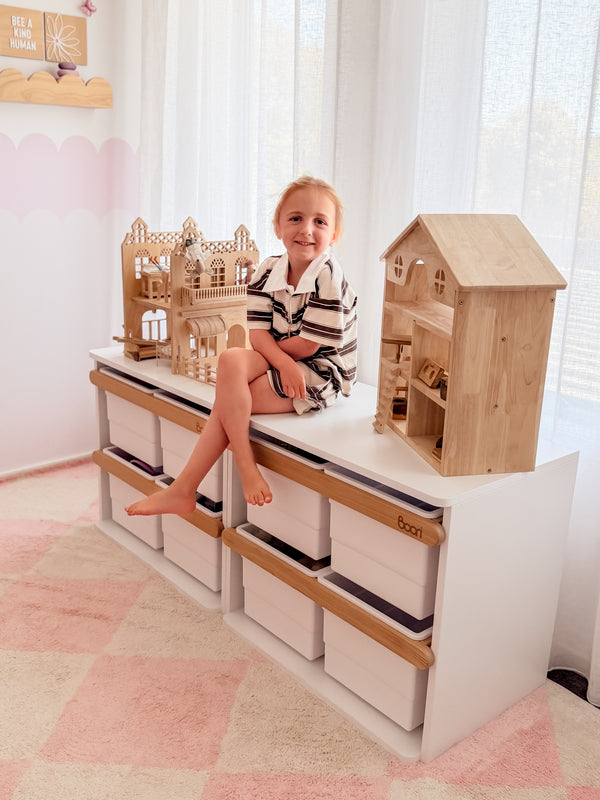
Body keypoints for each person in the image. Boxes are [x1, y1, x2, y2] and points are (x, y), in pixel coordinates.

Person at [125, 175, 357, 516]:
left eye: (319, 222)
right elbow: (258, 335)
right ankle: (232, 472)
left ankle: (187, 487)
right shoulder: (267, 271)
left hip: (322, 370)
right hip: (282, 357)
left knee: (228, 403)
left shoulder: (328, 275)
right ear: (278, 226)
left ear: (333, 235)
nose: (306, 230)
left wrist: (282, 362)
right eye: (295, 219)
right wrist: (280, 362)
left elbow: (309, 345)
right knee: (232, 359)